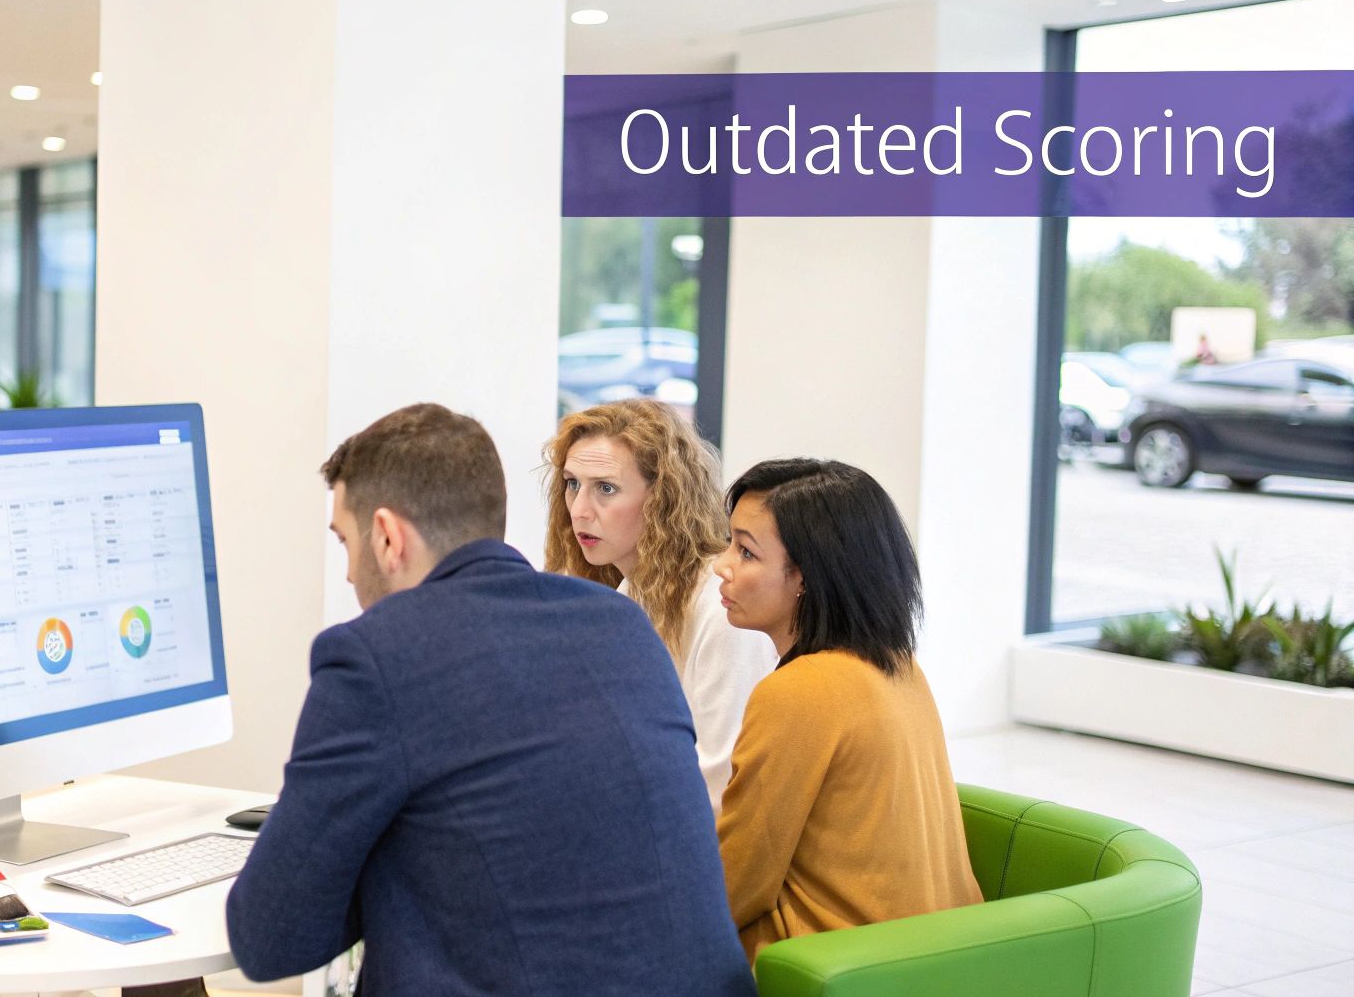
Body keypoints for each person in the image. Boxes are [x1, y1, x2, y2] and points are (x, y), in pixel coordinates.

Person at [226, 403, 755, 996]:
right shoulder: (620, 623)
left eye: (345, 542)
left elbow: (270, 938)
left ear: (386, 536)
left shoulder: (374, 656)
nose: (350, 574)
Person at [712, 458, 981, 964]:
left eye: (746, 551)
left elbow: (734, 882)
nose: (720, 565)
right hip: (930, 961)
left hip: (828, 963)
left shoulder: (798, 691)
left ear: (807, 579)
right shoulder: (901, 666)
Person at [543, 399, 777, 811]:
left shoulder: (720, 602)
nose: (579, 510)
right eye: (572, 483)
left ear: (663, 497)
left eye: (606, 488)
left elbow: (724, 785)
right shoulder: (628, 596)